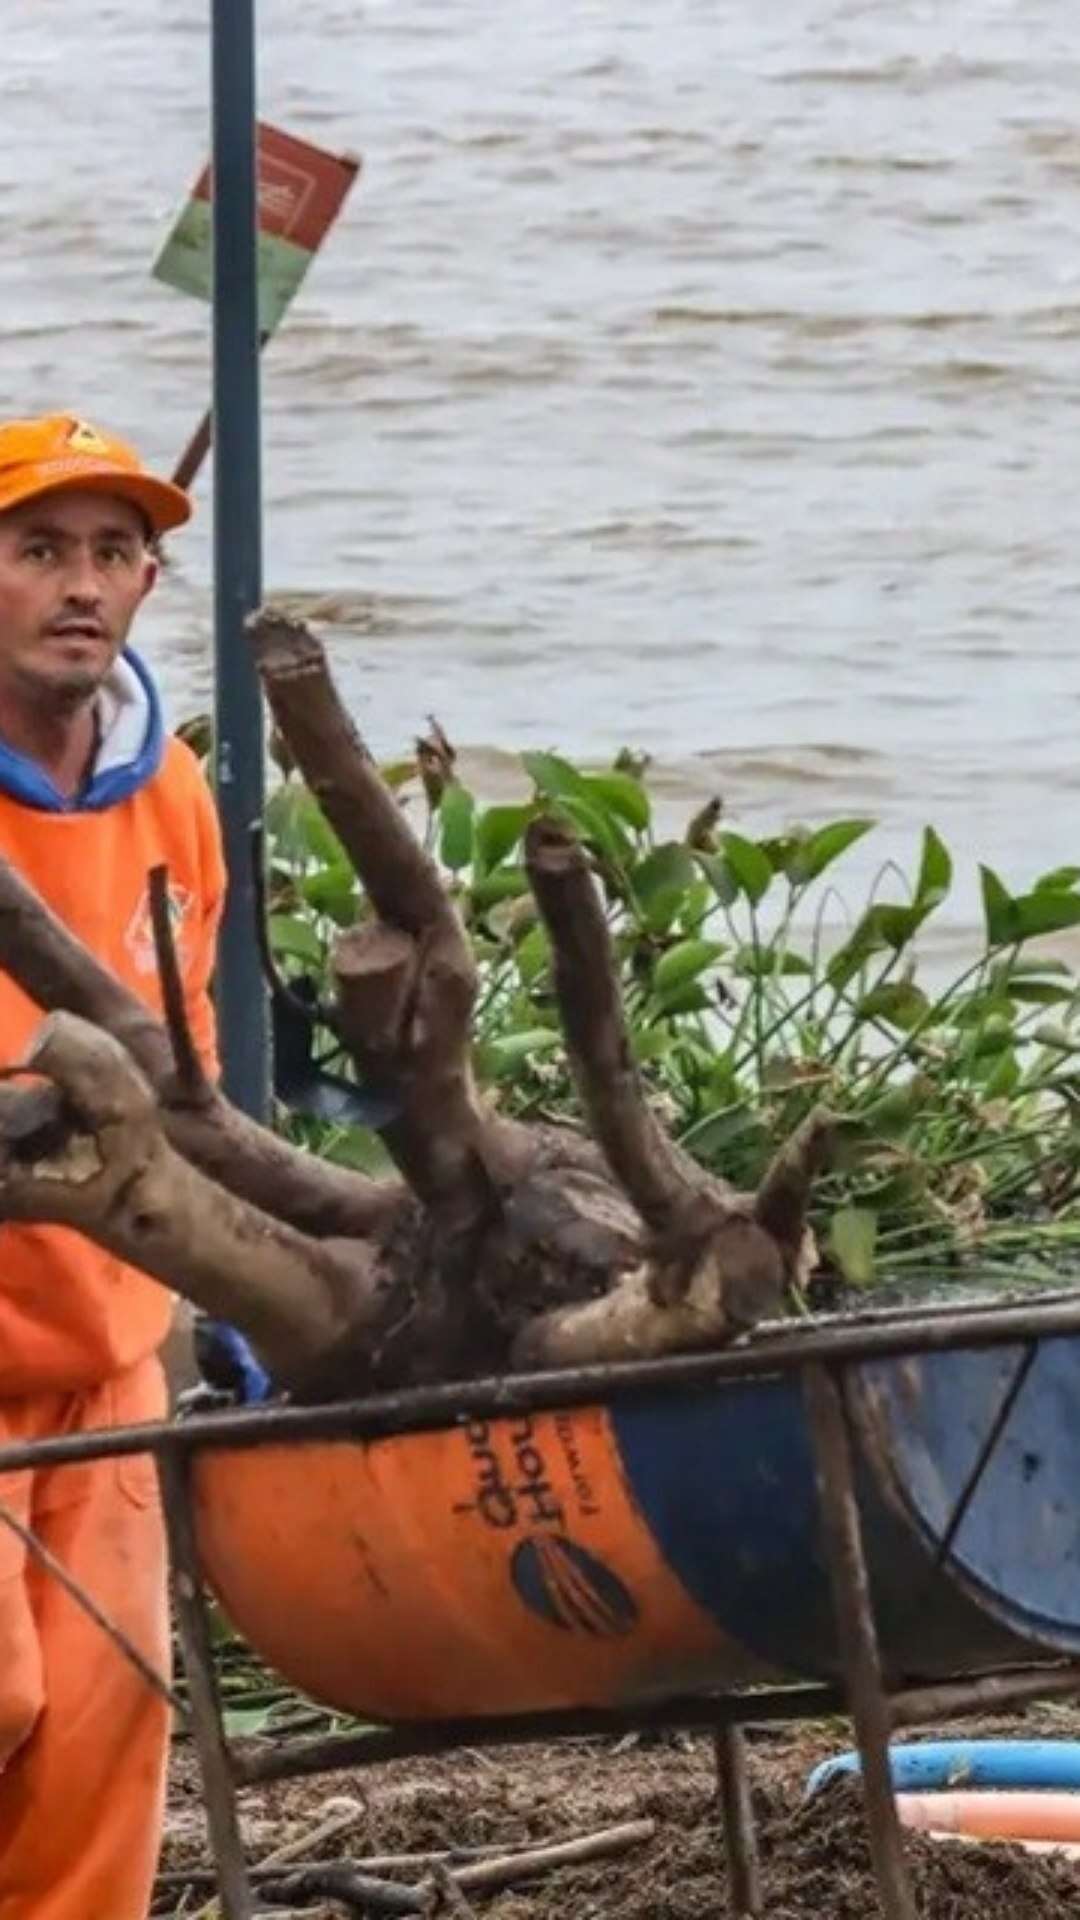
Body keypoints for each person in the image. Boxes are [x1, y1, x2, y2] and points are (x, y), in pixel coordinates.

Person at [0, 413, 226, 1918]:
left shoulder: (174, 793)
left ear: (148, 581)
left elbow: (195, 1091)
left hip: (106, 1355)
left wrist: (238, 1305)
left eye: (110, 553)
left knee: (103, 1729)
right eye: (36, 552)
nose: (80, 585)